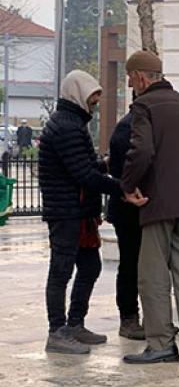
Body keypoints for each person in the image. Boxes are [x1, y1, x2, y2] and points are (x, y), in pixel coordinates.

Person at [121, 51, 179, 366]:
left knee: (153, 275)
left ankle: (161, 343)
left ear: (142, 77)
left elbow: (142, 150)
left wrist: (127, 185)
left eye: (131, 77)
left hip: (159, 202)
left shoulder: (145, 106)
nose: (130, 83)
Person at [38, 70, 121, 354]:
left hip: (77, 210)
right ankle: (57, 330)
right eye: (93, 97)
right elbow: (83, 173)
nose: (96, 103)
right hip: (67, 212)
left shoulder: (73, 123)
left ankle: (75, 324)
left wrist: (104, 164)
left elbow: (81, 166)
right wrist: (122, 189)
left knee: (89, 266)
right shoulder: (66, 127)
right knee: (61, 270)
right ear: (79, 94)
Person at [107, 102, 145, 340]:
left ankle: (147, 316)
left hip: (140, 206)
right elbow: (122, 170)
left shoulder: (140, 125)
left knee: (143, 265)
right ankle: (129, 317)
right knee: (130, 264)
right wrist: (129, 190)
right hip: (128, 208)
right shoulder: (127, 128)